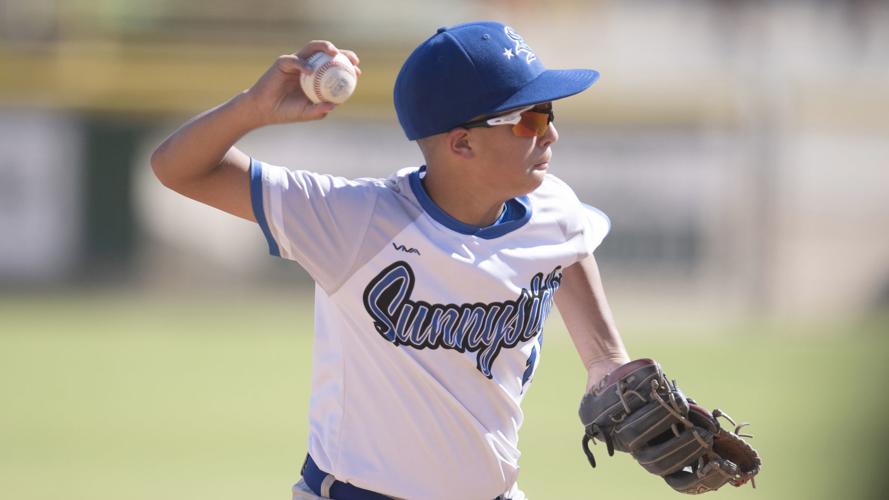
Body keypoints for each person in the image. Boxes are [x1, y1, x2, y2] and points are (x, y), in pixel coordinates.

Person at [151, 20, 630, 500]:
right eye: (530, 119)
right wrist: (252, 108)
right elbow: (177, 168)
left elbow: (570, 245)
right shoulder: (354, 220)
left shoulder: (552, 207)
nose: (550, 135)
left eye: (549, 113)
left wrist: (606, 360)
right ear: (461, 142)